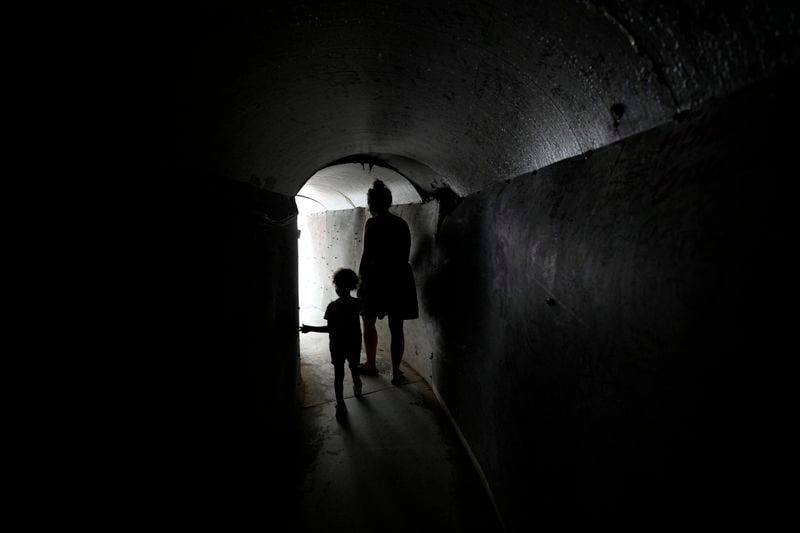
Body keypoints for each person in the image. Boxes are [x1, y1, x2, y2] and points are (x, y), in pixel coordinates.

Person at [357, 179, 419, 386]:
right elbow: (405, 255)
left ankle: (371, 364)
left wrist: (360, 281)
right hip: (399, 278)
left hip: (376, 278)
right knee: (396, 327)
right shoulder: (401, 224)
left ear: (371, 203)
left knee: (368, 321)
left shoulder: (372, 223)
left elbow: (367, 256)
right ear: (389, 202)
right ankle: (395, 372)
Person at [300, 268, 363, 420]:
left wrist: (310, 328)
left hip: (337, 345)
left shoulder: (332, 307)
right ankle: (357, 385)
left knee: (338, 375)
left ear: (336, 287)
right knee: (354, 366)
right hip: (354, 342)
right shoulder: (358, 303)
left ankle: (340, 404)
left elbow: (330, 328)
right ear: (353, 286)